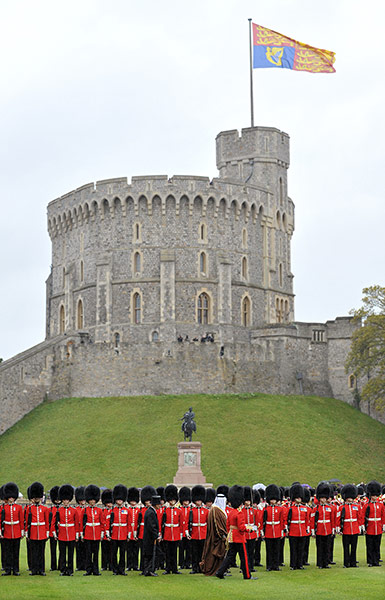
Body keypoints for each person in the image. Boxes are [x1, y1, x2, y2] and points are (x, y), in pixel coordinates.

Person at [215, 485, 256, 580]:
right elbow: (241, 528)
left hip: (232, 537)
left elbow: (228, 525)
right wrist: (250, 529)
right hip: (240, 538)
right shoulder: (239, 513)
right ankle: (247, 575)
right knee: (244, 557)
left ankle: (220, 572)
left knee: (229, 557)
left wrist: (230, 534)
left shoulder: (231, 512)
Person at [53, 484, 79, 576]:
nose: (65, 502)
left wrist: (76, 535)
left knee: (71, 554)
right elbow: (54, 523)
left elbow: (76, 523)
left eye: (67, 500)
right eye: (64, 500)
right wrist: (55, 534)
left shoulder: (74, 510)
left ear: (69, 500)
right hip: (62, 534)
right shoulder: (59, 510)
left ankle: (70, 570)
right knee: (62, 554)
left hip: (71, 534)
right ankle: (63, 570)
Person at [199, 492, 227, 576]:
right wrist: (222, 535)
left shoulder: (217, 509)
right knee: (215, 554)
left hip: (219, 536)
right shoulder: (215, 510)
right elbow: (217, 525)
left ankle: (220, 570)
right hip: (216, 537)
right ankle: (215, 570)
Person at [81, 484, 105, 576]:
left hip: (97, 533)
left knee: (96, 553)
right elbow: (82, 523)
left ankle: (95, 570)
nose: (92, 502)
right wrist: (82, 534)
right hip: (88, 533)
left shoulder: (99, 510)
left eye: (93, 500)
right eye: (90, 500)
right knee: (88, 553)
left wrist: (102, 533)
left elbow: (102, 522)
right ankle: (88, 570)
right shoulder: (85, 510)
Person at [337, 483, 363, 568]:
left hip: (354, 528)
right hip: (346, 529)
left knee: (354, 547)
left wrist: (360, 527)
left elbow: (360, 517)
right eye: (348, 497)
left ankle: (353, 562)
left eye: (351, 497)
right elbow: (338, 519)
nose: (350, 499)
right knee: (346, 547)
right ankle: (346, 563)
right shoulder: (341, 507)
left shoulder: (357, 506)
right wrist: (339, 529)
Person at [26, 481, 49, 576]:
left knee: (41, 552)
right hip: (33, 532)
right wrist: (27, 533)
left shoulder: (44, 509)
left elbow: (47, 521)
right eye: (35, 497)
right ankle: (34, 570)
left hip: (42, 532)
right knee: (34, 552)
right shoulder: (29, 509)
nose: (37, 499)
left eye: (38, 497)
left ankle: (41, 570)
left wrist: (47, 532)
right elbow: (27, 522)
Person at [0, 482, 23, 576]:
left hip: (16, 531)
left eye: (12, 497)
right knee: (7, 552)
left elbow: (21, 520)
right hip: (7, 532)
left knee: (15, 552)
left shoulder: (18, 507)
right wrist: (0, 532)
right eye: (9, 497)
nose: (11, 499)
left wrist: (22, 532)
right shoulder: (2, 508)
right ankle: (8, 569)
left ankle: (16, 569)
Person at [311, 482, 336, 569]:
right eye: (322, 498)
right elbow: (313, 521)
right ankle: (320, 563)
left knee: (327, 547)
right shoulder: (315, 509)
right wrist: (313, 531)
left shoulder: (330, 508)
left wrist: (333, 529)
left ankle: (325, 563)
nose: (323, 500)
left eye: (325, 498)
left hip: (328, 529)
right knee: (320, 548)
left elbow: (332, 520)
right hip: (319, 529)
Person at [262, 484, 284, 571]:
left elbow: (281, 521)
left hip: (277, 530)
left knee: (276, 549)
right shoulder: (266, 509)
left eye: (274, 499)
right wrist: (262, 532)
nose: (273, 501)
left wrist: (282, 531)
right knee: (269, 550)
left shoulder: (280, 509)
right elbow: (263, 522)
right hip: (268, 530)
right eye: (271, 499)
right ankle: (269, 565)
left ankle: (276, 565)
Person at [286, 484, 309, 570]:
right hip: (293, 530)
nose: (299, 499)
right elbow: (287, 519)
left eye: (300, 497)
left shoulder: (304, 508)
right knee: (293, 549)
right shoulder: (290, 508)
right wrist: (287, 529)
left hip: (302, 530)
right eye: (297, 497)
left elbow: (306, 520)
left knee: (301, 549)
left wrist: (307, 529)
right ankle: (293, 565)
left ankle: (300, 564)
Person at [161, 484, 183, 574]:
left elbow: (181, 523)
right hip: (167, 532)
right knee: (167, 552)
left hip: (176, 532)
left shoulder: (179, 511)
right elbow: (162, 523)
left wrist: (181, 533)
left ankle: (174, 568)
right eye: (171, 500)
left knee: (174, 552)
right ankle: (168, 568)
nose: (172, 501)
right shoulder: (165, 510)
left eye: (174, 500)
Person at [364, 480, 385, 567]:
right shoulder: (366, 505)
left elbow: (383, 516)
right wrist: (364, 527)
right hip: (370, 527)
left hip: (378, 527)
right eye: (373, 495)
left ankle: (376, 561)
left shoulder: (380, 505)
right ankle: (370, 561)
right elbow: (363, 517)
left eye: (376, 495)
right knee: (370, 545)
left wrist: (383, 526)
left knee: (377, 545)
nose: (375, 497)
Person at [188, 485, 208, 574]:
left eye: (200, 500)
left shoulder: (206, 510)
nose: (199, 502)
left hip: (203, 533)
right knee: (194, 552)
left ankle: (202, 567)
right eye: (197, 500)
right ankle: (194, 568)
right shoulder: (191, 510)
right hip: (194, 533)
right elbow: (188, 522)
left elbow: (208, 523)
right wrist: (187, 532)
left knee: (202, 552)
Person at [110, 484, 129, 575]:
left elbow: (128, 523)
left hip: (123, 534)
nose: (119, 501)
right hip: (114, 534)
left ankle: (122, 569)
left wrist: (129, 533)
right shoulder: (112, 510)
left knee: (122, 553)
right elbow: (109, 523)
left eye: (120, 499)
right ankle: (115, 569)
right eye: (118, 499)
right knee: (113, 553)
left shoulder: (126, 510)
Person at [142, 495, 162, 576]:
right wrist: (156, 536)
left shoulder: (150, 511)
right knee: (152, 554)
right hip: (150, 538)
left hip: (149, 537)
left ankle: (148, 570)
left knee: (151, 554)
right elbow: (152, 526)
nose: (160, 506)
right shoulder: (151, 512)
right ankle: (149, 570)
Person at [48, 486, 61, 571]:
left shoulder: (62, 509)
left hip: (61, 531)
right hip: (52, 532)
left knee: (61, 550)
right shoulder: (50, 509)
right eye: (56, 500)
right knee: (53, 550)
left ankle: (60, 565)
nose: (57, 502)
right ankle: (53, 566)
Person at [100, 489, 113, 571]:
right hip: (104, 534)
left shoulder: (113, 511)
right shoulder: (102, 511)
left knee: (111, 551)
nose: (109, 504)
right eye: (108, 503)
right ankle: (104, 565)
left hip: (111, 534)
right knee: (104, 551)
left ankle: (111, 565)